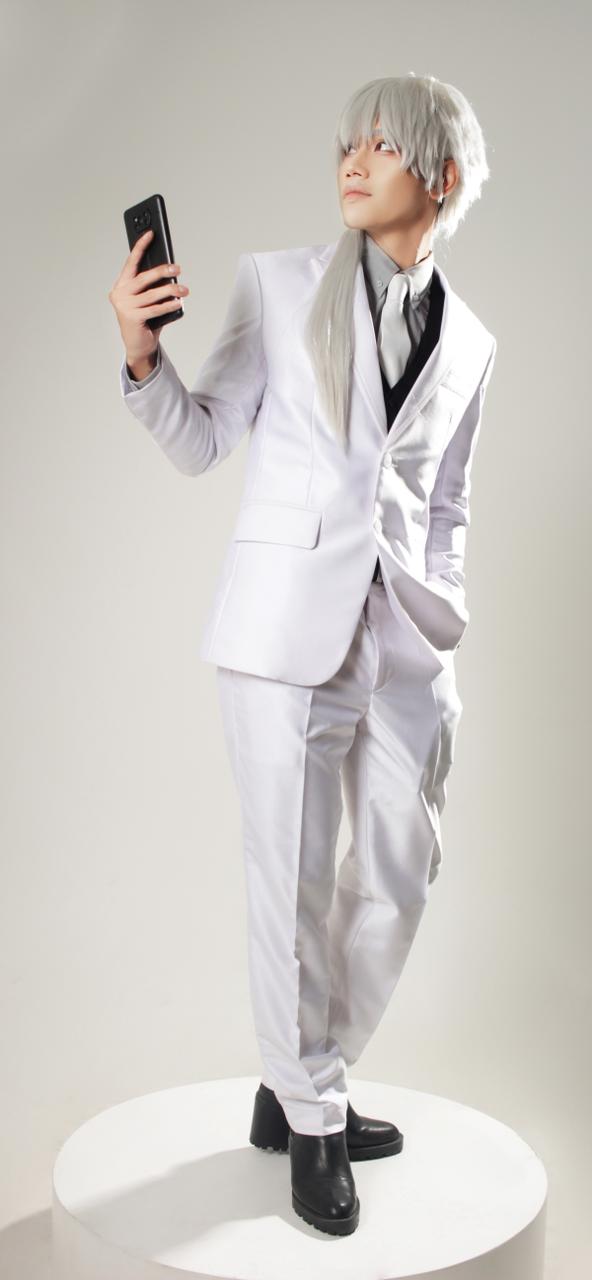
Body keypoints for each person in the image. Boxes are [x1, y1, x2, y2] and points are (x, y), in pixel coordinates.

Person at [109, 72, 497, 1236]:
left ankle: (296, 1075)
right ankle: (313, 1113)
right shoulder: (279, 287)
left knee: (400, 868)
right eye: (346, 143)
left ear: (441, 174)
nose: (352, 160)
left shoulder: (472, 341)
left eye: (382, 144)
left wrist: (444, 605)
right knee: (290, 875)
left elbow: (445, 500)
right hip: (282, 634)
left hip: (402, 641)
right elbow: (202, 440)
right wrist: (141, 355)